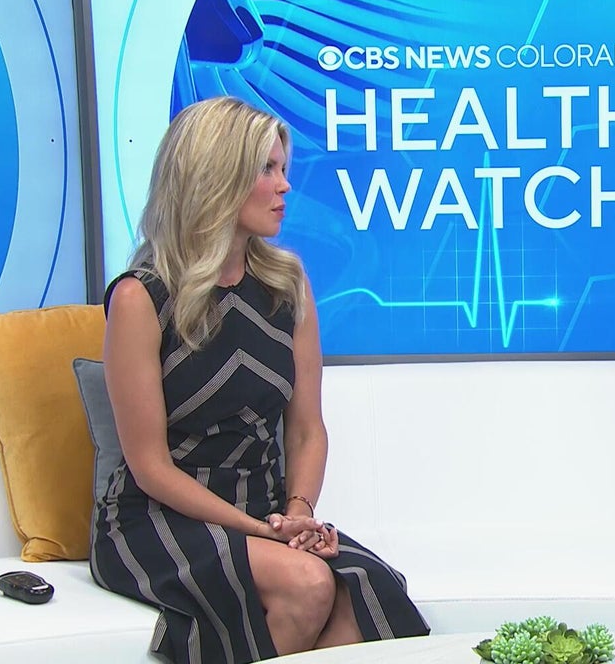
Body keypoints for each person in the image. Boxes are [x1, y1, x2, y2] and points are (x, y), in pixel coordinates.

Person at [91, 95, 430, 664]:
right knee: (308, 583)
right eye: (267, 169)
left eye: (283, 168)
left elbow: (307, 430)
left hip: (267, 510)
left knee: (368, 590)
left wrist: (297, 514)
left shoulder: (286, 285)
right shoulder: (140, 297)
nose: (284, 186)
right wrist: (259, 530)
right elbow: (150, 467)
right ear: (215, 177)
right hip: (157, 518)